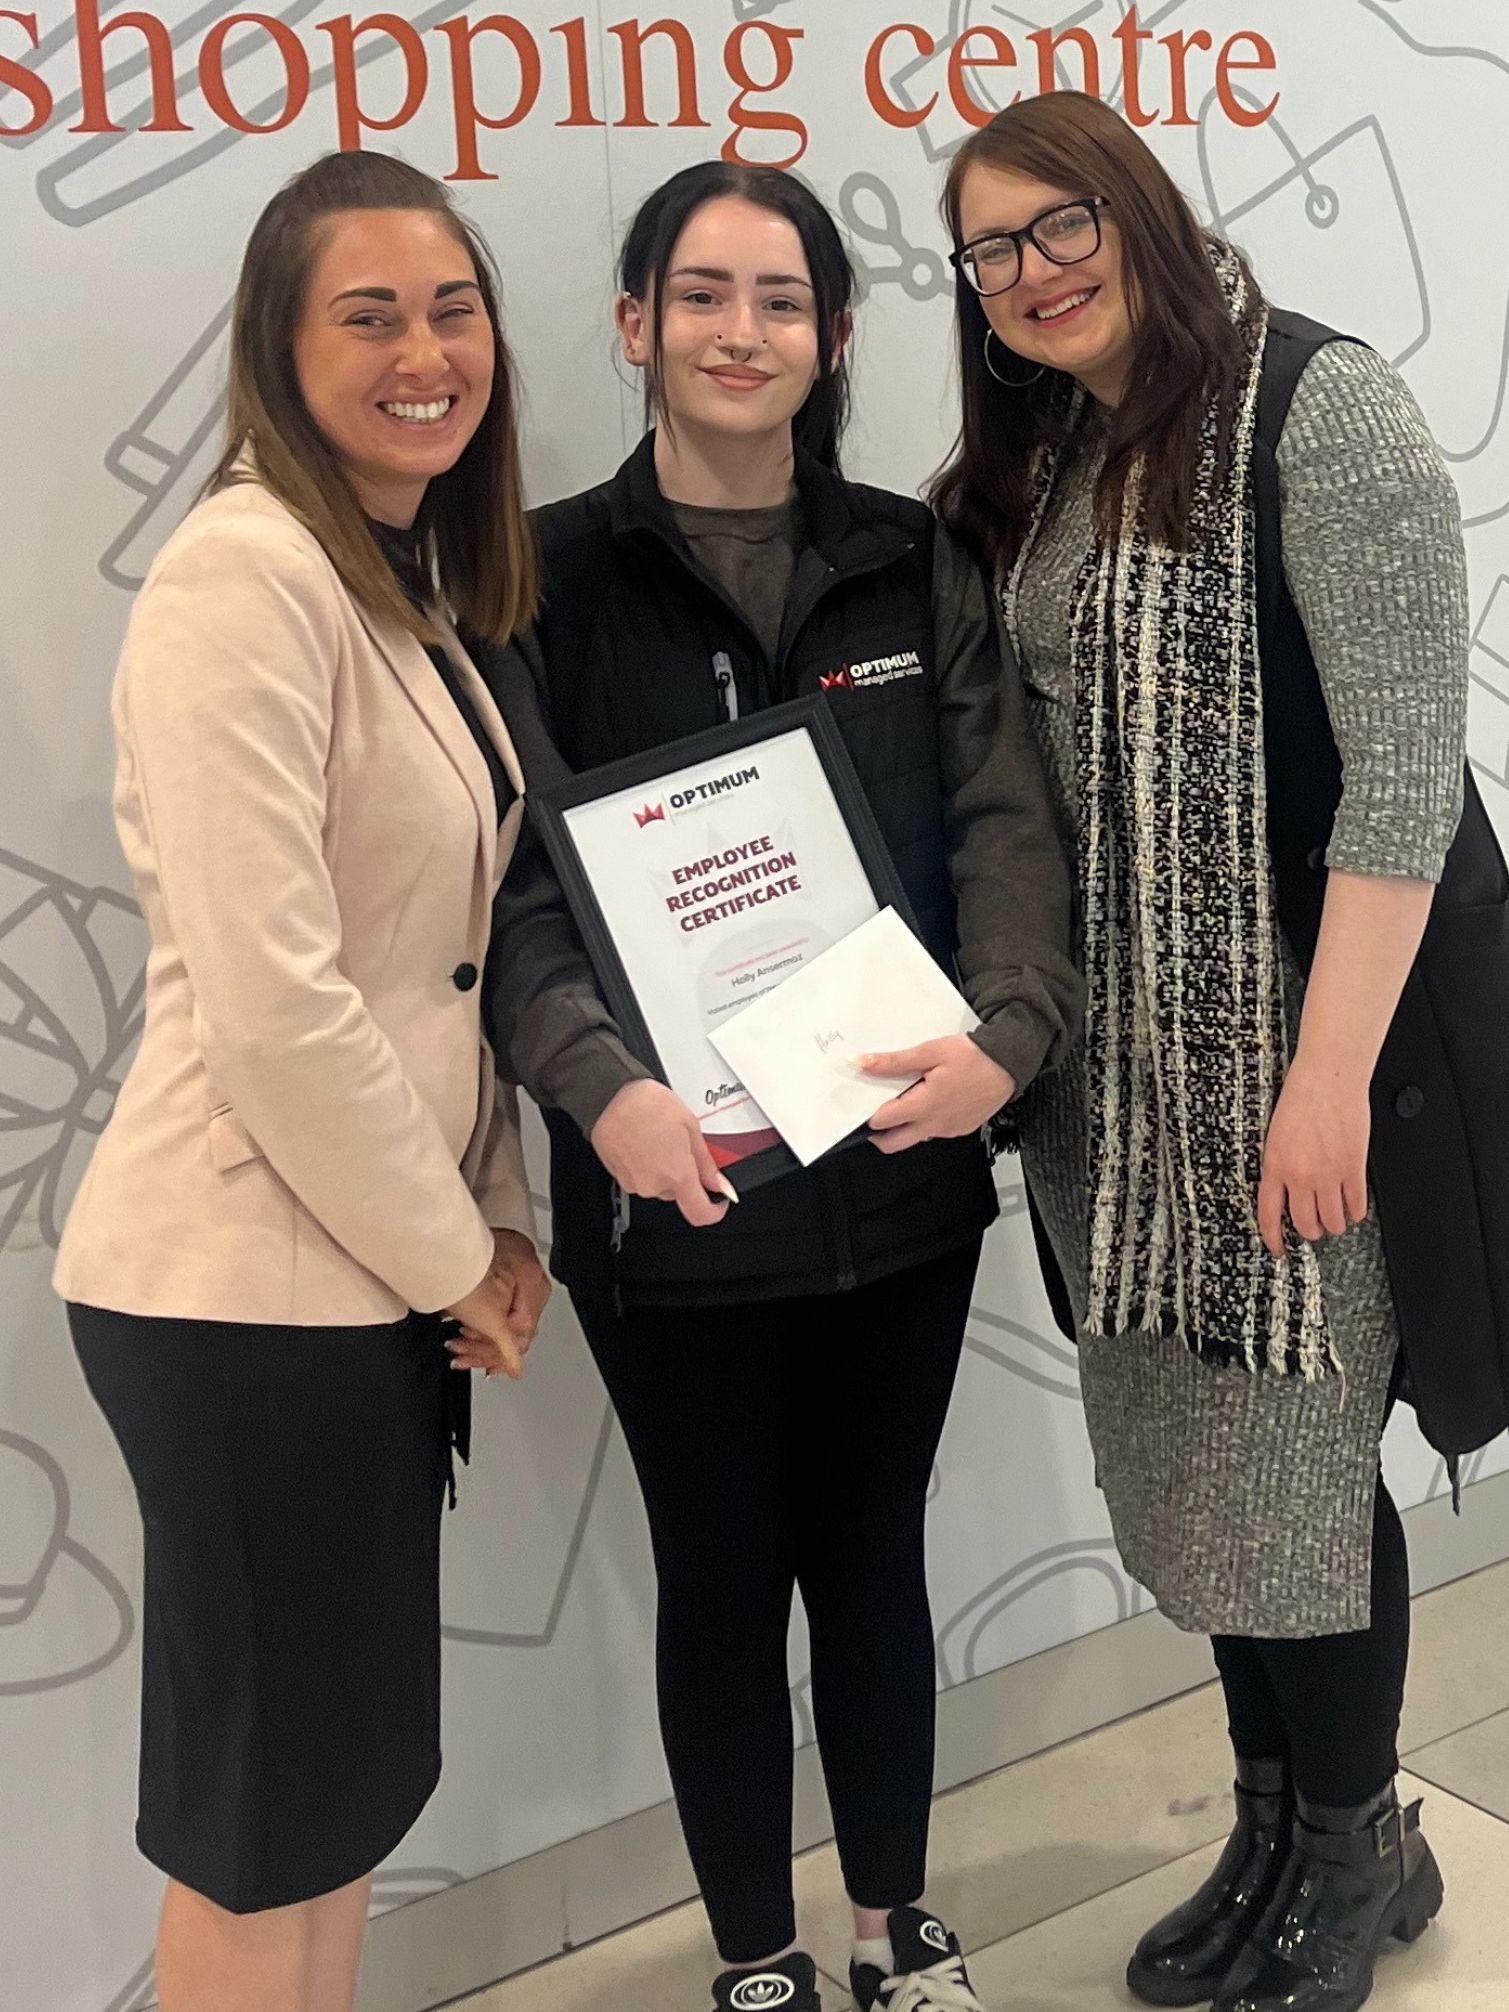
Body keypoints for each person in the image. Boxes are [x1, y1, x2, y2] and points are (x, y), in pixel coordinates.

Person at [480, 162, 1081, 2012]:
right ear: (634, 321)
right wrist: (603, 1095)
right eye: (701, 293)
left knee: (873, 1563)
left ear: (832, 335)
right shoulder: (541, 582)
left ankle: (898, 1931)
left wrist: (1005, 1034)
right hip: (673, 1202)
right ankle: (758, 1959)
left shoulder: (912, 556)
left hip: (900, 1178)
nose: (740, 333)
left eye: (782, 300)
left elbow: (1001, 817)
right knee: (722, 1582)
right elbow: (509, 894)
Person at [933, 91, 1509, 2012]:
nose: (1031, 272)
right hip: (1113, 1097)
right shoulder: (1050, 457)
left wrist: (1322, 1081)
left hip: (1290, 1068)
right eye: (991, 247)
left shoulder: (1316, 411)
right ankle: (1271, 1825)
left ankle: (1361, 1848)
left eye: (1062, 223)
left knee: (1292, 1474)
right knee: (1193, 1476)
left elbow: (1403, 781)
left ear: (1140, 213)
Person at [54, 152, 552, 2012]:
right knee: (261, 1827)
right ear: (279, 345)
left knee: (333, 1801)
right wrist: (458, 1258)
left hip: (355, 1282)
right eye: (370, 316)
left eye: (452, 310)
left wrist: (490, 1225)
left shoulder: (389, 579)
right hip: (241, 1294)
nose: (426, 355)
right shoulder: (241, 577)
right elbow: (279, 1011)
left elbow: (435, 973)